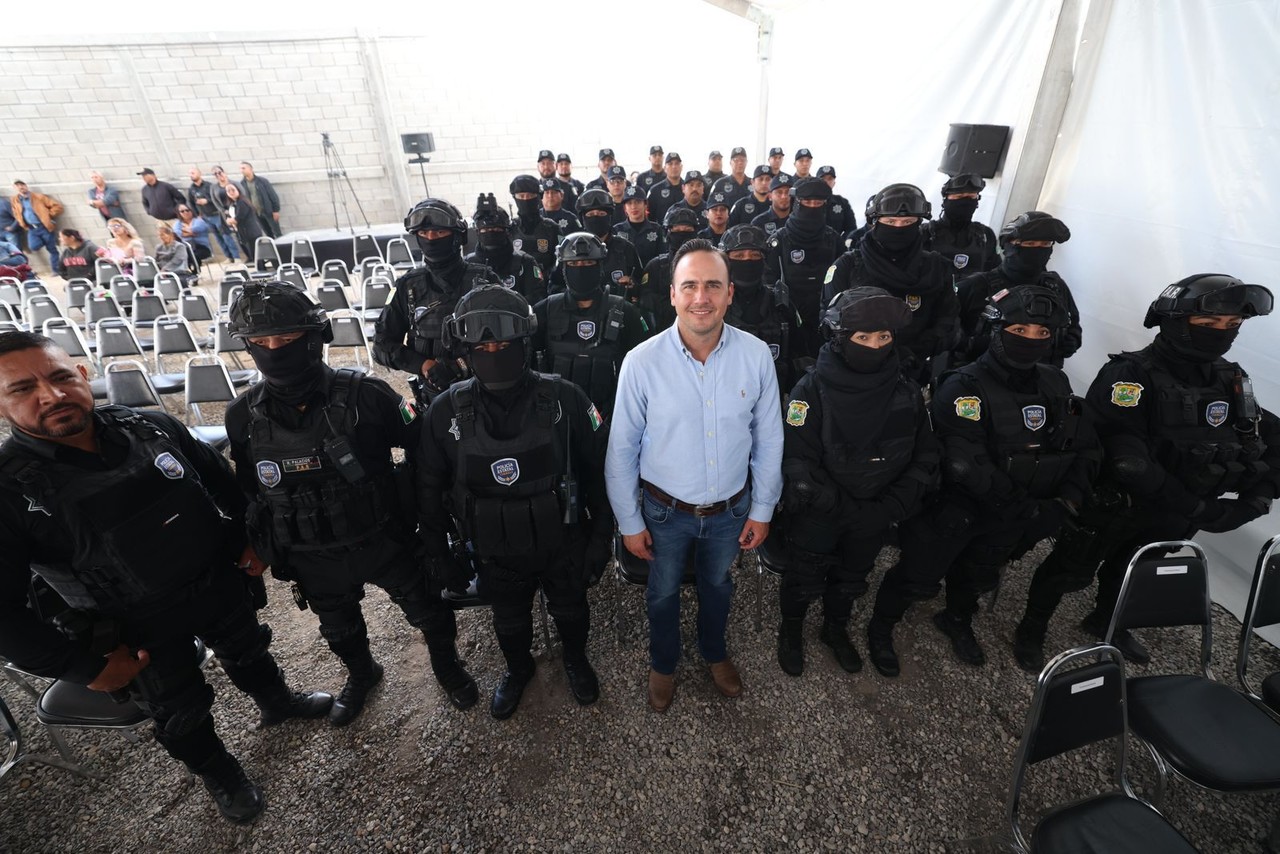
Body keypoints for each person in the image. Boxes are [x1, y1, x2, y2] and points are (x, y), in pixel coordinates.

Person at [0, 331, 331, 824]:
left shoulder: (150, 426)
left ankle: (277, 702)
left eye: (61, 376)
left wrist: (251, 539)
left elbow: (225, 483)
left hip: (217, 583)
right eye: (22, 389)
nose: (52, 396)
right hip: (134, 629)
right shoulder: (8, 489)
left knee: (250, 650)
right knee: (179, 711)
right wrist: (83, 668)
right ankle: (221, 774)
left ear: (84, 374)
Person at [225, 283, 477, 723]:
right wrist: (265, 547)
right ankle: (362, 675)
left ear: (315, 337)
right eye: (260, 343)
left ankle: (448, 668)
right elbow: (251, 491)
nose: (273, 350)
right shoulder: (243, 415)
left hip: (384, 539)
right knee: (339, 630)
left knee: (432, 615)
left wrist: (427, 518)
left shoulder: (368, 395)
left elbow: (425, 452)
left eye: (285, 339)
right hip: (312, 554)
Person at [1013, 274, 1279, 670]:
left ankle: (1106, 620)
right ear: (1174, 321)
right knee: (1068, 571)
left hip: (1177, 510)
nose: (1222, 334)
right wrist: (1203, 511)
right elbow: (1128, 461)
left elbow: (1265, 434)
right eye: (1208, 325)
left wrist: (1257, 497)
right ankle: (1032, 628)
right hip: (1116, 504)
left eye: (1232, 325)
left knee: (1134, 571)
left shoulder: (1230, 378)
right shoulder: (1130, 376)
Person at [867, 287, 1099, 676]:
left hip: (1014, 516)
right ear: (996, 328)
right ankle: (881, 627)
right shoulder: (963, 386)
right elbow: (963, 463)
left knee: (977, 575)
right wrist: (1026, 508)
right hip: (958, 510)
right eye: (1020, 329)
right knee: (916, 576)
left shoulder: (1055, 383)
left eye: (1042, 334)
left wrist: (1065, 504)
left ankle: (957, 620)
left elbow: (1083, 446)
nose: (1030, 340)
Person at [606, 238, 784, 712]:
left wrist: (762, 509)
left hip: (730, 512)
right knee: (661, 592)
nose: (700, 297)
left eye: (712, 286)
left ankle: (713, 653)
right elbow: (621, 449)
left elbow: (769, 440)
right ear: (672, 294)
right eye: (689, 286)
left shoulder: (756, 356)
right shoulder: (641, 362)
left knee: (719, 587)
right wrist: (630, 521)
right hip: (664, 514)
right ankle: (663, 663)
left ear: (729, 294)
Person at [419, 286, 612, 718]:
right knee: (509, 622)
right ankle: (518, 669)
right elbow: (428, 491)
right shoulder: (445, 413)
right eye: (483, 346)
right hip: (493, 549)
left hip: (562, 540)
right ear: (465, 349)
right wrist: (439, 556)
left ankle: (575, 660)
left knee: (572, 612)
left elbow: (601, 473)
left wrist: (601, 537)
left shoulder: (566, 399)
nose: (493, 352)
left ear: (525, 342)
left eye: (504, 344)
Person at [777, 288, 939, 675]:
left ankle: (835, 629)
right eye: (862, 338)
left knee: (852, 579)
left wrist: (888, 509)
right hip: (822, 513)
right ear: (839, 338)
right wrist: (844, 509)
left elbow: (925, 456)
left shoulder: (906, 391)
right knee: (804, 577)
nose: (875, 345)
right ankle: (792, 629)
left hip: (877, 513)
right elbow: (798, 463)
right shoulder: (809, 391)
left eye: (883, 337)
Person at [821, 183, 959, 385]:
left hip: (913, 372)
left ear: (919, 223)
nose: (898, 228)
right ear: (875, 222)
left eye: (907, 222)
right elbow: (828, 319)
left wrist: (914, 352)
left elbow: (948, 320)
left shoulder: (936, 268)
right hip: (854, 372)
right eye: (891, 221)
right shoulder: (848, 265)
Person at [372, 198, 500, 407]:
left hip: (485, 391)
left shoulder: (485, 279)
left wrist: (460, 365)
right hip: (433, 398)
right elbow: (381, 345)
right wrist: (423, 365)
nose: (431, 238)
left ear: (457, 236)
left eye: (439, 233)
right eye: (424, 234)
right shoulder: (407, 286)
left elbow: (511, 339)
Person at [533, 232, 648, 417]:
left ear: (600, 266)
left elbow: (644, 370)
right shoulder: (545, 310)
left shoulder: (626, 311)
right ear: (563, 268)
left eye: (588, 263)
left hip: (614, 416)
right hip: (558, 418)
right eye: (573, 264)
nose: (580, 268)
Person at [955, 211, 1081, 368]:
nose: (1038, 250)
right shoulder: (975, 286)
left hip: (1038, 380)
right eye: (1030, 244)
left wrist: (1070, 341)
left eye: (1045, 244)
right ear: (1008, 246)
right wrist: (974, 344)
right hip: (981, 379)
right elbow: (945, 333)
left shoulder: (1054, 285)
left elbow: (1073, 325)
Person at [765, 177, 845, 359]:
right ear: (796, 203)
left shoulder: (833, 240)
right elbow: (767, 283)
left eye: (818, 203)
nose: (813, 207)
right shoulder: (779, 241)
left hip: (827, 322)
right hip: (789, 321)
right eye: (807, 202)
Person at [721, 225, 800, 396]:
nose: (747, 261)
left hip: (773, 400)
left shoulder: (781, 303)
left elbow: (799, 356)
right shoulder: (714, 305)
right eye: (739, 255)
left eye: (755, 255)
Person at [548, 190, 642, 297]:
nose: (596, 217)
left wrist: (632, 285)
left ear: (610, 216)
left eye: (601, 214)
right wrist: (577, 293)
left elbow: (641, 283)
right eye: (590, 214)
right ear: (583, 218)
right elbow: (553, 287)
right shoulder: (568, 248)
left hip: (617, 308)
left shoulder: (626, 248)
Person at [464, 193, 544, 304]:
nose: (491, 233)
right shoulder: (467, 264)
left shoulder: (525, 262)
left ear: (507, 231)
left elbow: (536, 300)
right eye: (485, 230)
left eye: (496, 229)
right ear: (477, 232)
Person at [921, 173, 998, 288]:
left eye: (971, 197)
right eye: (959, 197)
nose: (965, 202)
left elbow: (995, 274)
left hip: (973, 301)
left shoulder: (985, 235)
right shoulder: (925, 233)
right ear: (945, 200)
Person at [638, 206, 702, 333]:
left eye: (687, 229)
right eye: (677, 229)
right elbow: (646, 300)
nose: (682, 233)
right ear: (668, 232)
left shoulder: (708, 264)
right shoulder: (655, 266)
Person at [509, 174, 563, 276]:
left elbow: (561, 261)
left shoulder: (553, 228)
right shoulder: (510, 228)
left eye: (530, 196)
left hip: (547, 285)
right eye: (521, 196)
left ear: (539, 197)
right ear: (514, 198)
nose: (525, 200)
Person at [187, 167, 240, 261]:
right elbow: (191, 203)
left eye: (193, 173)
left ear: (199, 173)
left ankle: (236, 256)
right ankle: (228, 256)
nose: (191, 175)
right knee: (218, 238)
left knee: (226, 236)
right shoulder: (191, 189)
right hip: (205, 217)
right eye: (190, 174)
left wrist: (206, 201)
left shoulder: (209, 186)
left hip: (216, 215)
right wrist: (197, 215)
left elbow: (215, 199)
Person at [9, 181, 63, 270]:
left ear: (26, 186)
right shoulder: (15, 200)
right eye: (17, 186)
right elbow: (16, 213)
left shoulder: (38, 197)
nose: (20, 187)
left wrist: (47, 216)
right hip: (31, 229)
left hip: (44, 227)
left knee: (52, 250)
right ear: (15, 188)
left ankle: (56, 270)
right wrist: (20, 221)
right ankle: (44, 241)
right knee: (33, 246)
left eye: (22, 185)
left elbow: (57, 207)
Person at [613, 185, 663, 267]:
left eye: (638, 202)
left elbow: (662, 257)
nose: (633, 207)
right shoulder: (617, 230)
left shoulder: (656, 229)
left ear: (645, 205)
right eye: (629, 203)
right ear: (625, 207)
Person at [239, 162, 282, 238]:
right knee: (268, 234)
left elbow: (272, 195)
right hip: (256, 214)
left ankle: (283, 249)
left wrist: (276, 210)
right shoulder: (242, 184)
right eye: (240, 168)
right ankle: (273, 248)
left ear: (251, 169)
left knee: (277, 233)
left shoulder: (262, 181)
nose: (241, 170)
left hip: (269, 212)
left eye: (243, 168)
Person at [223, 184, 264, 258]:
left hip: (251, 232)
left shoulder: (242, 202)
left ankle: (260, 269)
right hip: (244, 232)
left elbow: (238, 218)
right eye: (228, 191)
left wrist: (230, 221)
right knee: (254, 255)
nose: (231, 192)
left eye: (233, 190)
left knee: (256, 255)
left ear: (238, 190)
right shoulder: (233, 204)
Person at [816, 166, 856, 236]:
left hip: (835, 245)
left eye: (830, 179)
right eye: (823, 179)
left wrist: (841, 242)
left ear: (834, 183)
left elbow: (851, 228)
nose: (826, 182)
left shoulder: (842, 203)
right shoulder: (808, 202)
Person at [646, 152, 684, 224]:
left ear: (681, 167)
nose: (674, 167)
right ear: (665, 168)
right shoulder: (655, 190)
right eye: (670, 164)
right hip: (662, 232)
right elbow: (649, 216)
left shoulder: (688, 189)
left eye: (677, 163)